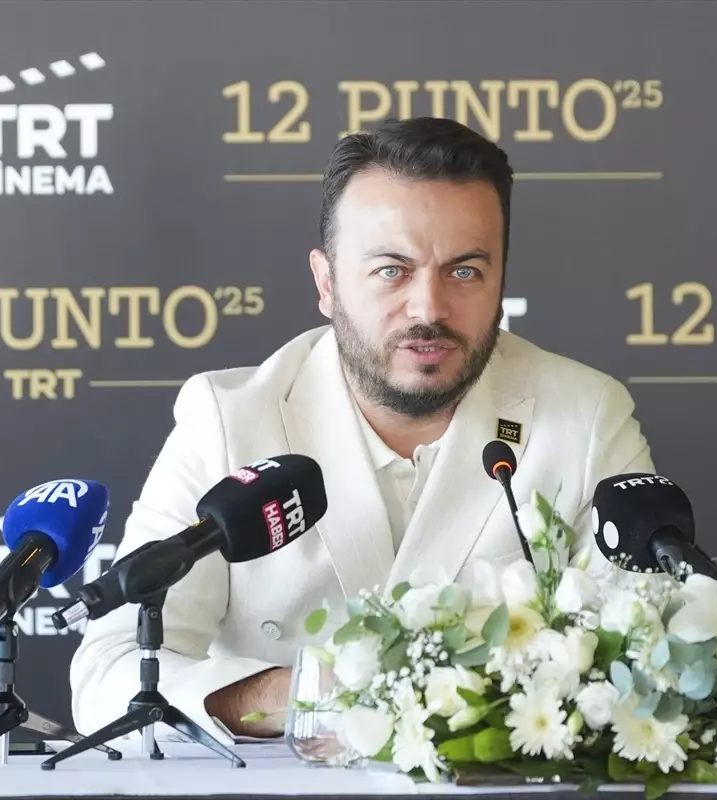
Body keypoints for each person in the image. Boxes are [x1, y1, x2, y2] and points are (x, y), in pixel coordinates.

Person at [69, 117, 655, 744]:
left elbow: (647, 662)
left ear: (501, 279)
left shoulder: (588, 416)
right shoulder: (229, 420)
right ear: (326, 283)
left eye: (464, 272)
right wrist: (306, 697)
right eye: (391, 270)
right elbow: (109, 674)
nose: (429, 309)